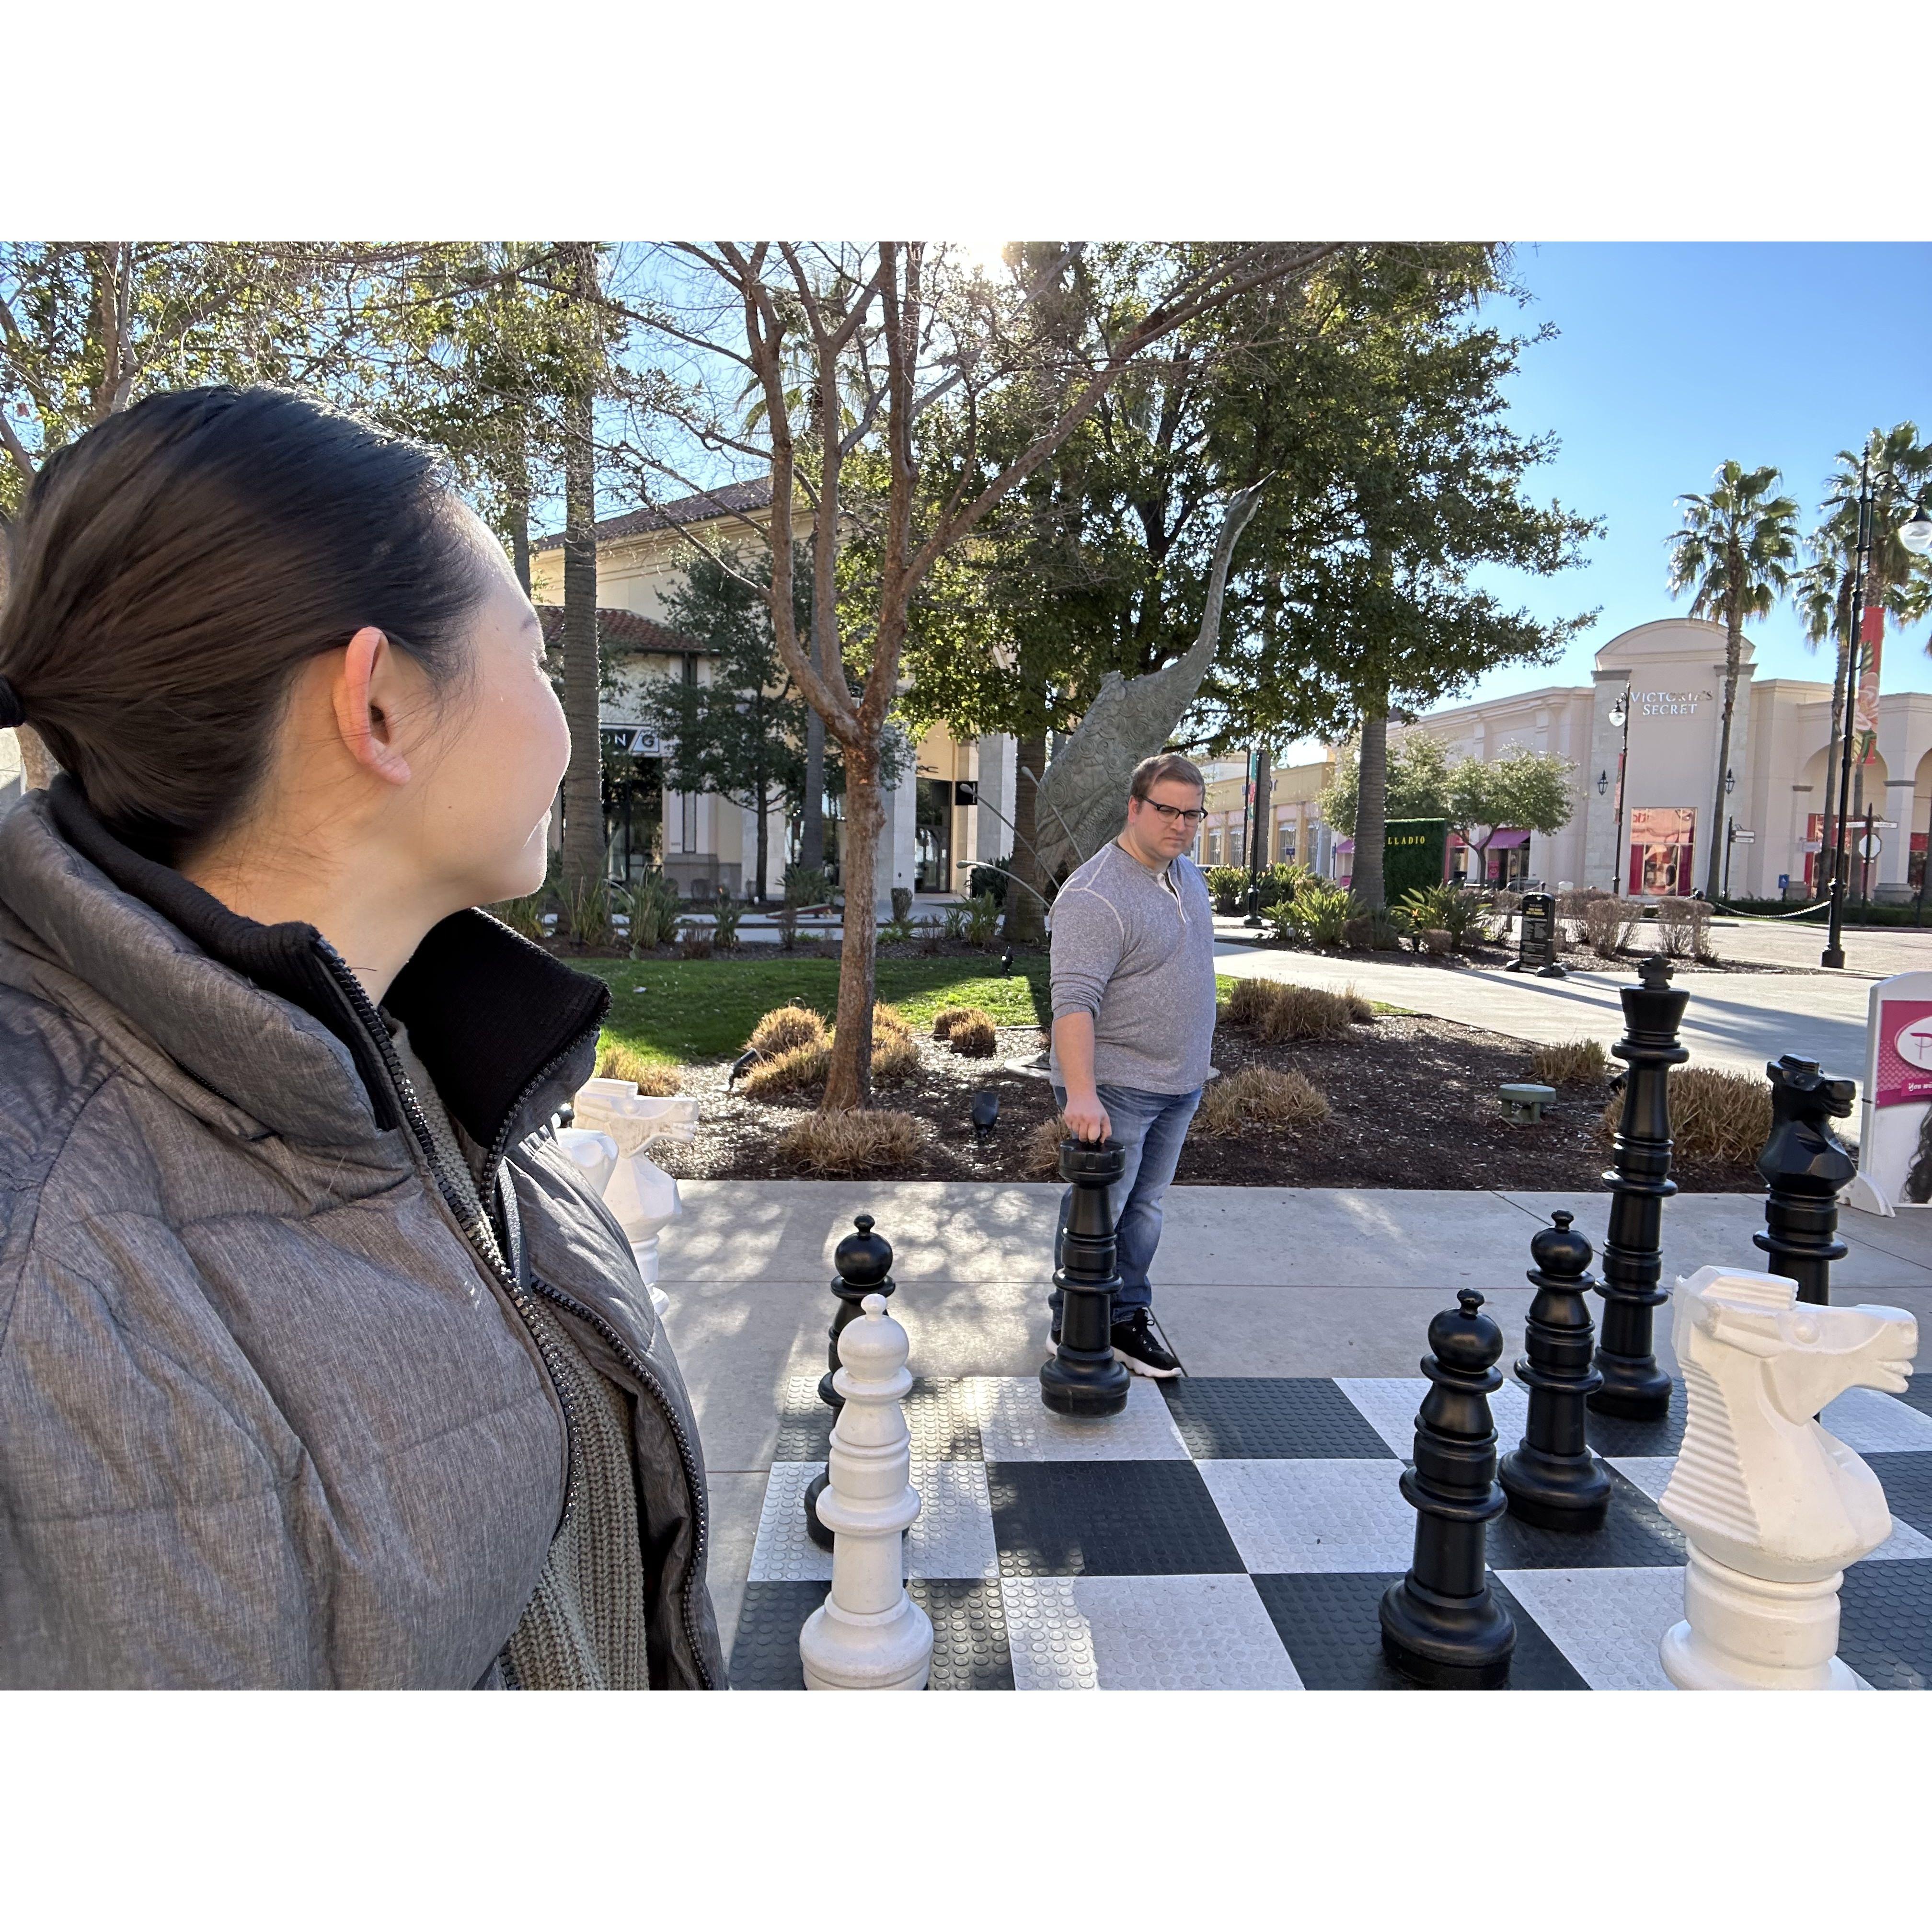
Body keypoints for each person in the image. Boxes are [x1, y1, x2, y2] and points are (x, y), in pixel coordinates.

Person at [0, 387, 726, 1690]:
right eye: (535, 658)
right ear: (378, 705)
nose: (560, 717)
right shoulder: (46, 1282)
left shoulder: (429, 1062)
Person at [1047, 752, 1218, 1377]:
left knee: (1146, 1209)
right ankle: (1072, 1320)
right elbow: (1073, 1003)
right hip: (1119, 1086)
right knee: (1103, 1209)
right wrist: (1081, 1093)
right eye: (1167, 810)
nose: (1180, 824)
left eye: (1192, 814)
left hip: (1181, 1082)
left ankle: (1123, 1315)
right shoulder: (1095, 895)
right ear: (1134, 808)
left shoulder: (1187, 875)